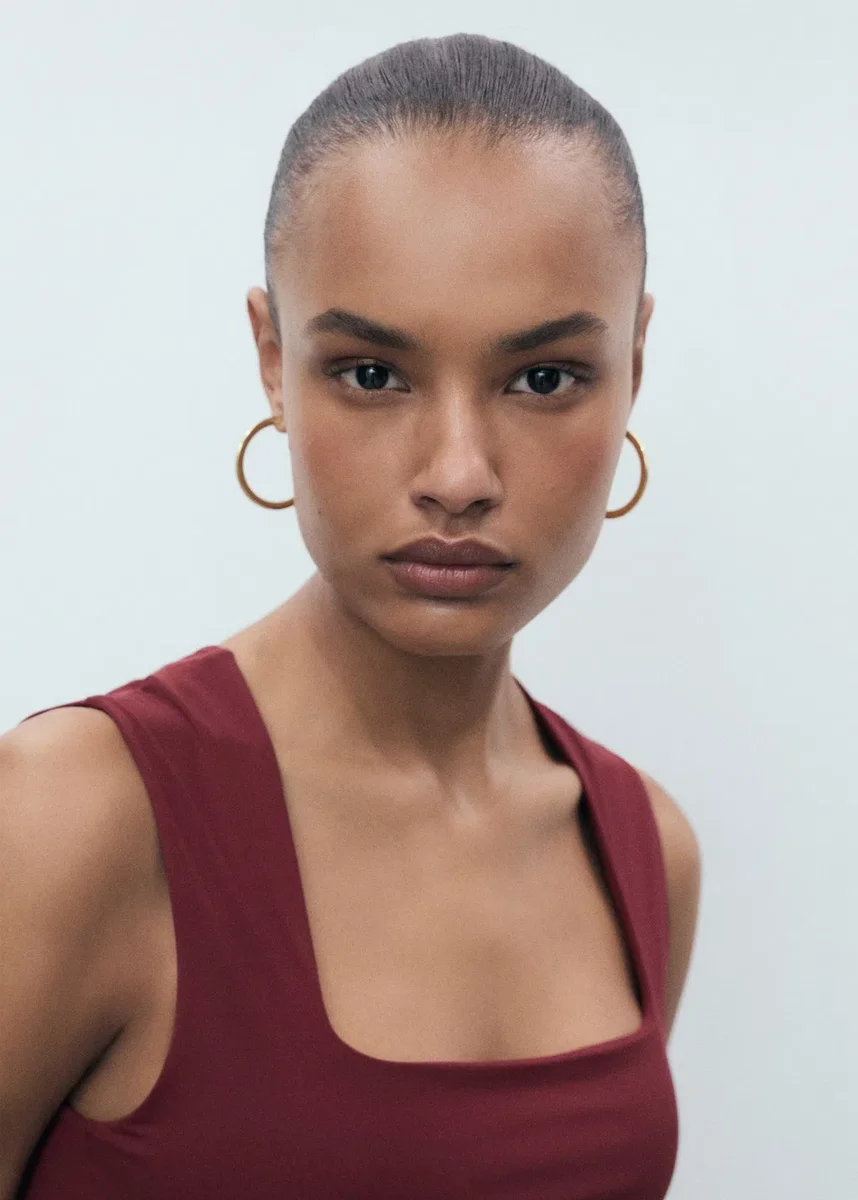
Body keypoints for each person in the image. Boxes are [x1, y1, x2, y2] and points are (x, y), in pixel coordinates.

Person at [1, 32, 702, 1200]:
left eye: (543, 378)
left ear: (633, 362)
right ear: (271, 358)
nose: (458, 474)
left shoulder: (644, 849)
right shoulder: (76, 817)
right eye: (373, 374)